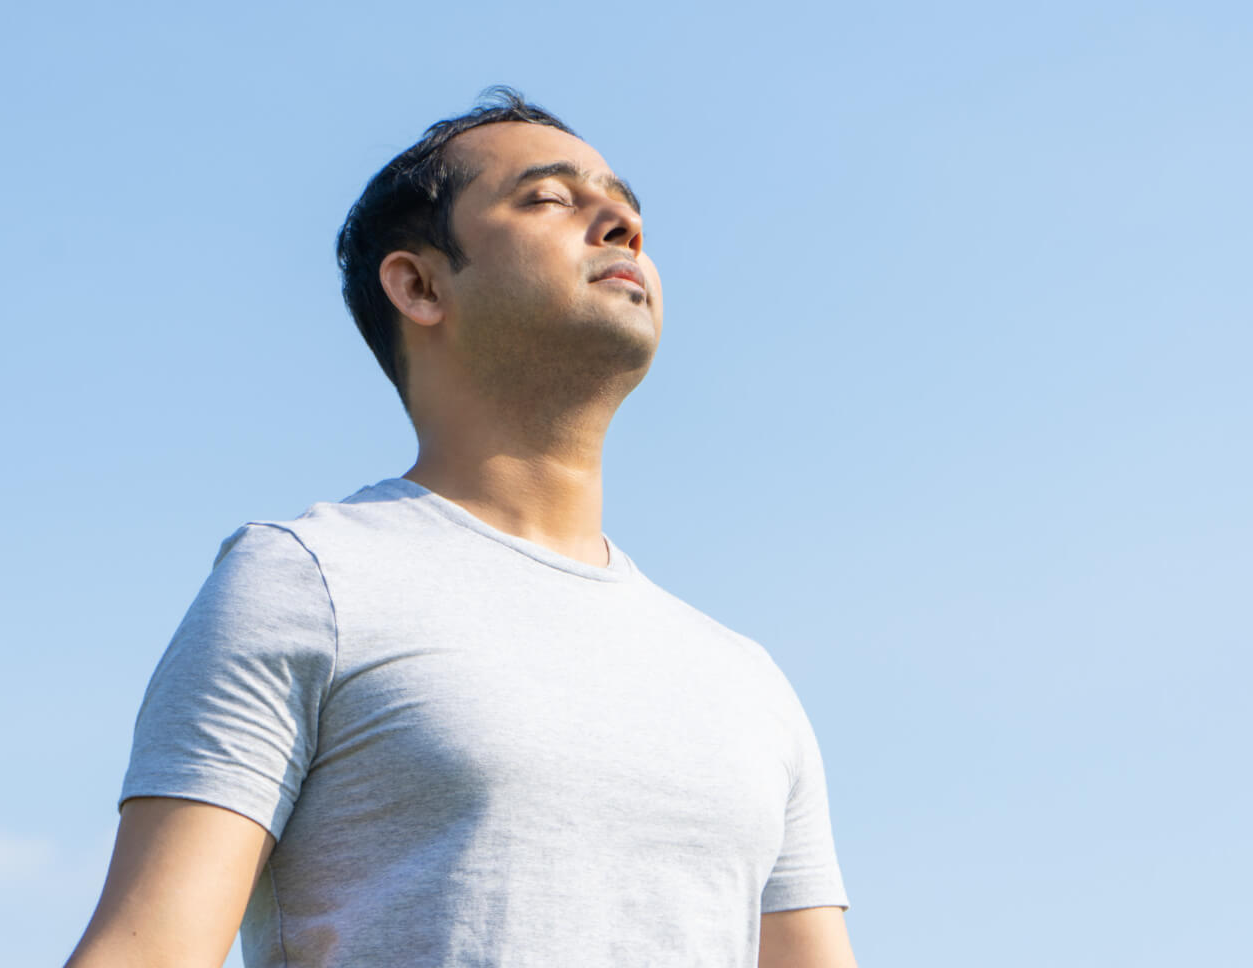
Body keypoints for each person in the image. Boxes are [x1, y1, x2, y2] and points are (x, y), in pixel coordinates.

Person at [66, 87, 857, 968]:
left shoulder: (747, 682)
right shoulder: (308, 579)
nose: (621, 224)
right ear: (419, 284)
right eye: (552, 198)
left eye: (628, 209)